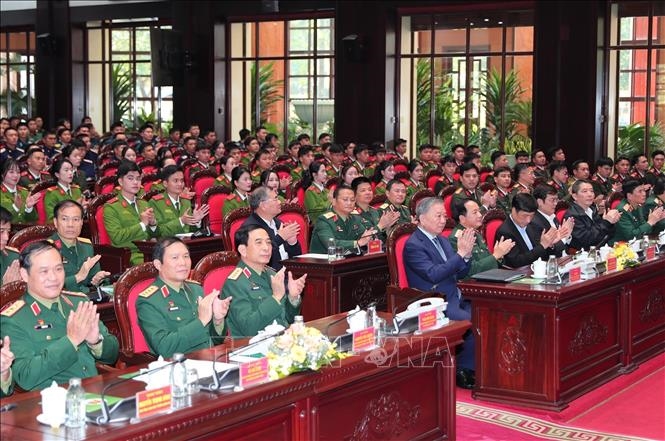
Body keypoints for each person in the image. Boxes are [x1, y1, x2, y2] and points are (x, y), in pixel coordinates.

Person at [0, 241, 119, 391]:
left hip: (95, 392)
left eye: (58, 269)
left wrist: (96, 342)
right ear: (24, 275)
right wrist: (71, 341)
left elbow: (112, 356)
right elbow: (25, 376)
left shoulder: (79, 302)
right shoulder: (13, 319)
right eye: (44, 271)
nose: (53, 277)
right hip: (53, 399)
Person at [403, 196, 476, 388]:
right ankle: (462, 370)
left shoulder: (442, 241)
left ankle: (476, 367)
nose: (443, 220)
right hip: (435, 301)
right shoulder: (414, 245)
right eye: (438, 216)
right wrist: (460, 254)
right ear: (422, 218)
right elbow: (433, 274)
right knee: (471, 321)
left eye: (444, 216)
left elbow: (460, 272)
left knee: (487, 312)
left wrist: (466, 256)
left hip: (456, 294)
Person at [136, 238, 231, 358]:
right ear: (158, 264)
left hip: (211, 359)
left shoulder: (196, 289)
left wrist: (218, 320)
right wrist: (201, 321)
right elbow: (164, 348)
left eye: (186, 256)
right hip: (180, 364)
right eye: (175, 258)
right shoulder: (149, 301)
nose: (183, 262)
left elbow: (215, 341)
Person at [222, 224, 307, 338]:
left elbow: (288, 319)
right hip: (252, 345)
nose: (266, 248)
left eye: (268, 242)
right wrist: (275, 298)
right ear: (243, 250)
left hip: (281, 339)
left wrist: (292, 298)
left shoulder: (272, 274)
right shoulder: (234, 283)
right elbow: (249, 328)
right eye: (259, 243)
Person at [104, 160, 160, 265]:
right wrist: (142, 224)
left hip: (150, 252)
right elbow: (117, 237)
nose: (135, 182)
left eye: (138, 179)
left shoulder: (143, 203)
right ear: (120, 181)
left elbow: (155, 235)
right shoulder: (111, 207)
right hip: (130, 255)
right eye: (130, 178)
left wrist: (153, 224)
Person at [50, 200, 110, 292]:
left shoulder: (86, 246)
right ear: (55, 222)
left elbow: (93, 279)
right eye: (65, 219)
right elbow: (46, 285)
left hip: (88, 297)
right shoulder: (47, 249)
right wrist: (78, 277)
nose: (70, 225)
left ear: (82, 222)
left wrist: (98, 279)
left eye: (76, 219)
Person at [448, 198, 515, 276]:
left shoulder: (475, 233)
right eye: (475, 212)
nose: (480, 215)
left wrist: (500, 255)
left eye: (479, 211)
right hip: (473, 282)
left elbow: (488, 261)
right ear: (462, 218)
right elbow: (470, 271)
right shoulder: (456, 239)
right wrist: (496, 255)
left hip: (488, 276)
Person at [495, 193, 562, 268]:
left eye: (532, 216)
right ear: (514, 210)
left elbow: (543, 255)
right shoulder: (505, 232)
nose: (528, 220)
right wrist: (542, 246)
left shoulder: (534, 225)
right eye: (525, 216)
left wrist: (550, 245)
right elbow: (516, 262)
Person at [242, 187, 302, 270]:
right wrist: (280, 238)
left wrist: (292, 243)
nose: (280, 202)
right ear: (263, 205)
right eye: (275, 199)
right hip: (268, 275)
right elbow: (259, 257)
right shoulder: (251, 228)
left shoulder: (278, 223)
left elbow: (296, 259)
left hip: (288, 271)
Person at [310, 185, 377, 253]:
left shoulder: (355, 218)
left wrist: (368, 237)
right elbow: (331, 244)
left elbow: (364, 236)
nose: (349, 203)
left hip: (349, 257)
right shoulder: (324, 220)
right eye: (345, 199)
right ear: (334, 201)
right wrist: (357, 243)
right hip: (324, 258)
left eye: (352, 200)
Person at [149, 165, 209, 236]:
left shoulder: (186, 201)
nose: (180, 184)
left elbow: (189, 231)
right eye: (176, 181)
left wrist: (195, 221)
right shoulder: (156, 202)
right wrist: (181, 221)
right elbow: (158, 232)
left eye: (182, 180)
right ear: (165, 183)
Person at [564, 180, 621, 251]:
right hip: (585, 254)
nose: (590, 194)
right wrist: (606, 222)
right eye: (585, 191)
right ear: (575, 196)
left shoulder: (592, 209)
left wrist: (612, 222)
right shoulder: (572, 215)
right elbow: (587, 240)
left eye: (591, 191)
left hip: (602, 249)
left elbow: (608, 234)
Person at [611, 179, 665, 244]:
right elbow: (631, 236)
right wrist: (650, 222)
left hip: (638, 243)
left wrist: (655, 220)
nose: (644, 194)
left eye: (644, 190)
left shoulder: (638, 205)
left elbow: (645, 230)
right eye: (640, 191)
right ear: (629, 196)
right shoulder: (622, 210)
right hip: (621, 246)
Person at [351, 177, 399, 242]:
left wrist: (388, 227)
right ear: (354, 194)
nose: (368, 193)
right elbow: (361, 239)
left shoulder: (375, 211)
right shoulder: (351, 215)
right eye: (363, 190)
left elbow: (382, 236)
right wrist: (380, 226)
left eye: (370, 190)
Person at [531, 185, 574, 257]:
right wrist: (563, 238)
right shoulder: (534, 223)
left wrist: (567, 235)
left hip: (565, 258)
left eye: (556, 200)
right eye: (552, 200)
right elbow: (546, 253)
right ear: (539, 202)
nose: (556, 203)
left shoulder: (553, 216)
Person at [43, 158, 84, 222]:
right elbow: (52, 218)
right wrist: (74, 207)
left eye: (71, 170)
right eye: (66, 170)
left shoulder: (77, 190)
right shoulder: (52, 193)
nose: (70, 173)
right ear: (57, 174)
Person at [1, 158, 39, 223]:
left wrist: (29, 208)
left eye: (18, 172)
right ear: (2, 174)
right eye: (11, 172)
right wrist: (15, 208)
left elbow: (33, 220)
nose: (16, 175)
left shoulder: (25, 192)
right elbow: (3, 221)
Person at [1, 206, 21, 284]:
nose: (6, 238)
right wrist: (6, 288)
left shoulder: (12, 258)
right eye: (1, 231)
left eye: (8, 232)